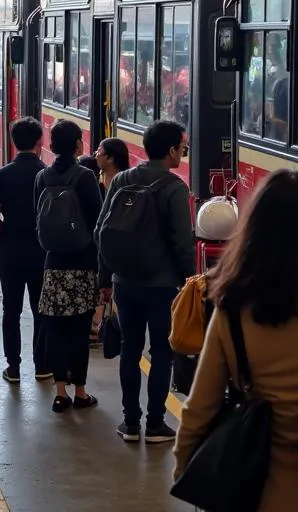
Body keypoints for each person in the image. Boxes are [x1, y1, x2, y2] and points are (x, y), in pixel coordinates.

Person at [174, 170, 298, 511]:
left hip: (254, 494)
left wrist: (185, 473)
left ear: (253, 234)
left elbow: (199, 412)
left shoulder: (232, 314)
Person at [97, 120, 195, 445]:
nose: (183, 152)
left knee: (130, 349)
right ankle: (155, 424)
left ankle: (129, 423)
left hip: (124, 280)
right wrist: (189, 280)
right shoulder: (175, 188)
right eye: (182, 147)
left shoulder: (123, 179)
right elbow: (182, 242)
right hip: (162, 284)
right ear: (170, 151)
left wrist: (105, 278)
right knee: (162, 352)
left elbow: (101, 231)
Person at [34, 119, 102, 414]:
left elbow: (36, 215)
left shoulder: (42, 176)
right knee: (79, 328)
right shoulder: (86, 177)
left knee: (56, 327)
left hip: (52, 262)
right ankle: (81, 391)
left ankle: (59, 392)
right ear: (77, 145)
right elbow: (98, 221)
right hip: (83, 263)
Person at [0, 117, 50, 383]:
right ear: (38, 141)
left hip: (9, 252)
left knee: (11, 310)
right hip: (40, 251)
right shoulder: (45, 173)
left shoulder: (3, 174)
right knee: (40, 309)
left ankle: (13, 367)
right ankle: (42, 366)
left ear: (13, 141)